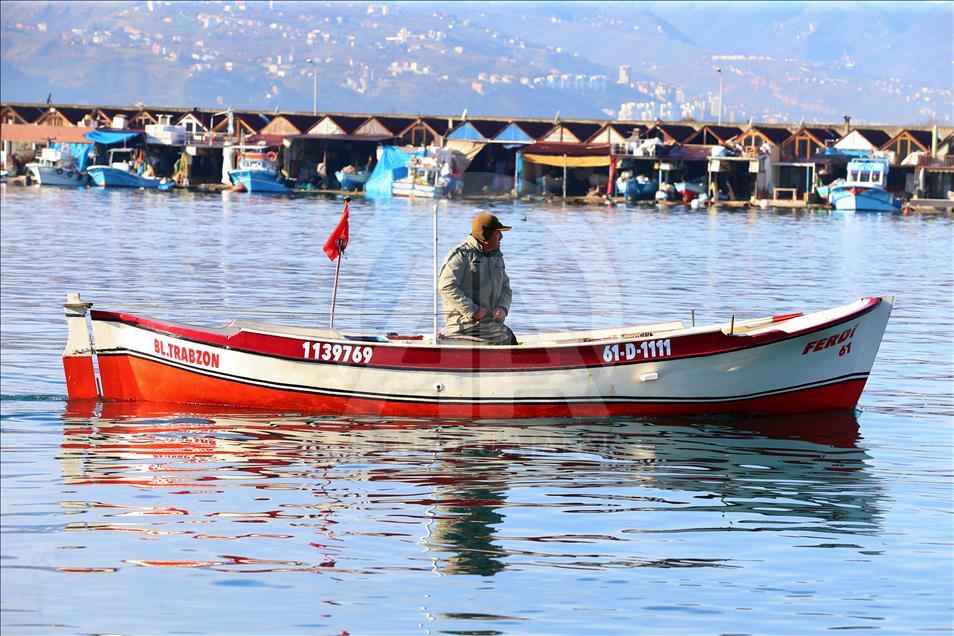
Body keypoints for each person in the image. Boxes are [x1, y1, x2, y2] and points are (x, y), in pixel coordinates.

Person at [438, 213, 516, 345]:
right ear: (486, 236)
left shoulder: (496, 256)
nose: (501, 237)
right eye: (498, 233)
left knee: (504, 334)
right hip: (464, 323)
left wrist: (502, 307)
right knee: (505, 336)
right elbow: (446, 287)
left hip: (489, 322)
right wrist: (472, 310)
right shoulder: (460, 255)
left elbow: (506, 288)